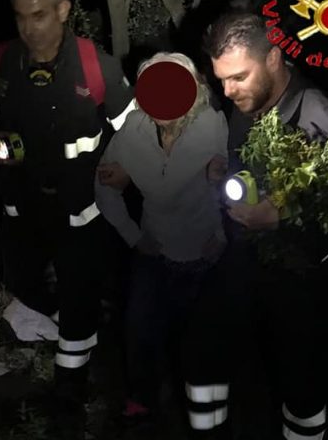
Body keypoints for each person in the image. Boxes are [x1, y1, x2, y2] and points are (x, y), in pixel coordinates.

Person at [0, 0, 134, 437]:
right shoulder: (2, 62)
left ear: (63, 11)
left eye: (38, 15)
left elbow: (134, 129)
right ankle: (80, 326)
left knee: (79, 292)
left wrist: (125, 170)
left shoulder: (96, 66)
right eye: (20, 16)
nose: (28, 27)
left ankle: (70, 392)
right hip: (21, 207)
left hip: (81, 208)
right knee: (25, 282)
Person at [203, 12, 328, 440]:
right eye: (221, 80)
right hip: (250, 262)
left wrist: (282, 215)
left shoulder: (318, 113)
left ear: (274, 58)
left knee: (302, 390)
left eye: (238, 77)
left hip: (307, 277)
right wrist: (226, 170)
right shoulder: (245, 106)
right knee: (205, 349)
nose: (227, 91)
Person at [95, 52, 233, 439]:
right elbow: (103, 187)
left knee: (199, 347)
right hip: (154, 252)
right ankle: (142, 403)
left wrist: (224, 235)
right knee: (138, 330)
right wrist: (133, 236)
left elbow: (239, 183)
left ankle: (209, 417)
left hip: (205, 256)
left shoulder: (214, 126)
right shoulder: (132, 131)